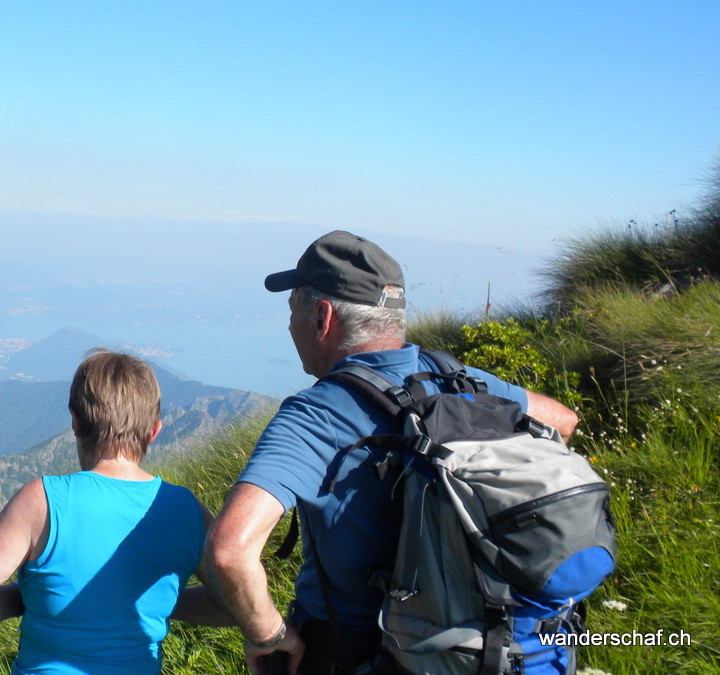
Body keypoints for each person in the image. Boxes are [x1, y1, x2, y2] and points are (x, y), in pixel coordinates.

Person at [202, 231, 579, 675]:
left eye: (292, 310)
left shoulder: (317, 415)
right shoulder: (456, 379)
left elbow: (229, 551)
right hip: (492, 639)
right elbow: (562, 420)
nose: (290, 325)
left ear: (323, 317)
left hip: (359, 654)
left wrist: (269, 636)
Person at [0, 349, 232, 674]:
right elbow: (234, 607)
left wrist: (26, 598)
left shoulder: (41, 501)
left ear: (75, 421)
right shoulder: (185, 511)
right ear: (154, 431)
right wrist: (156, 601)